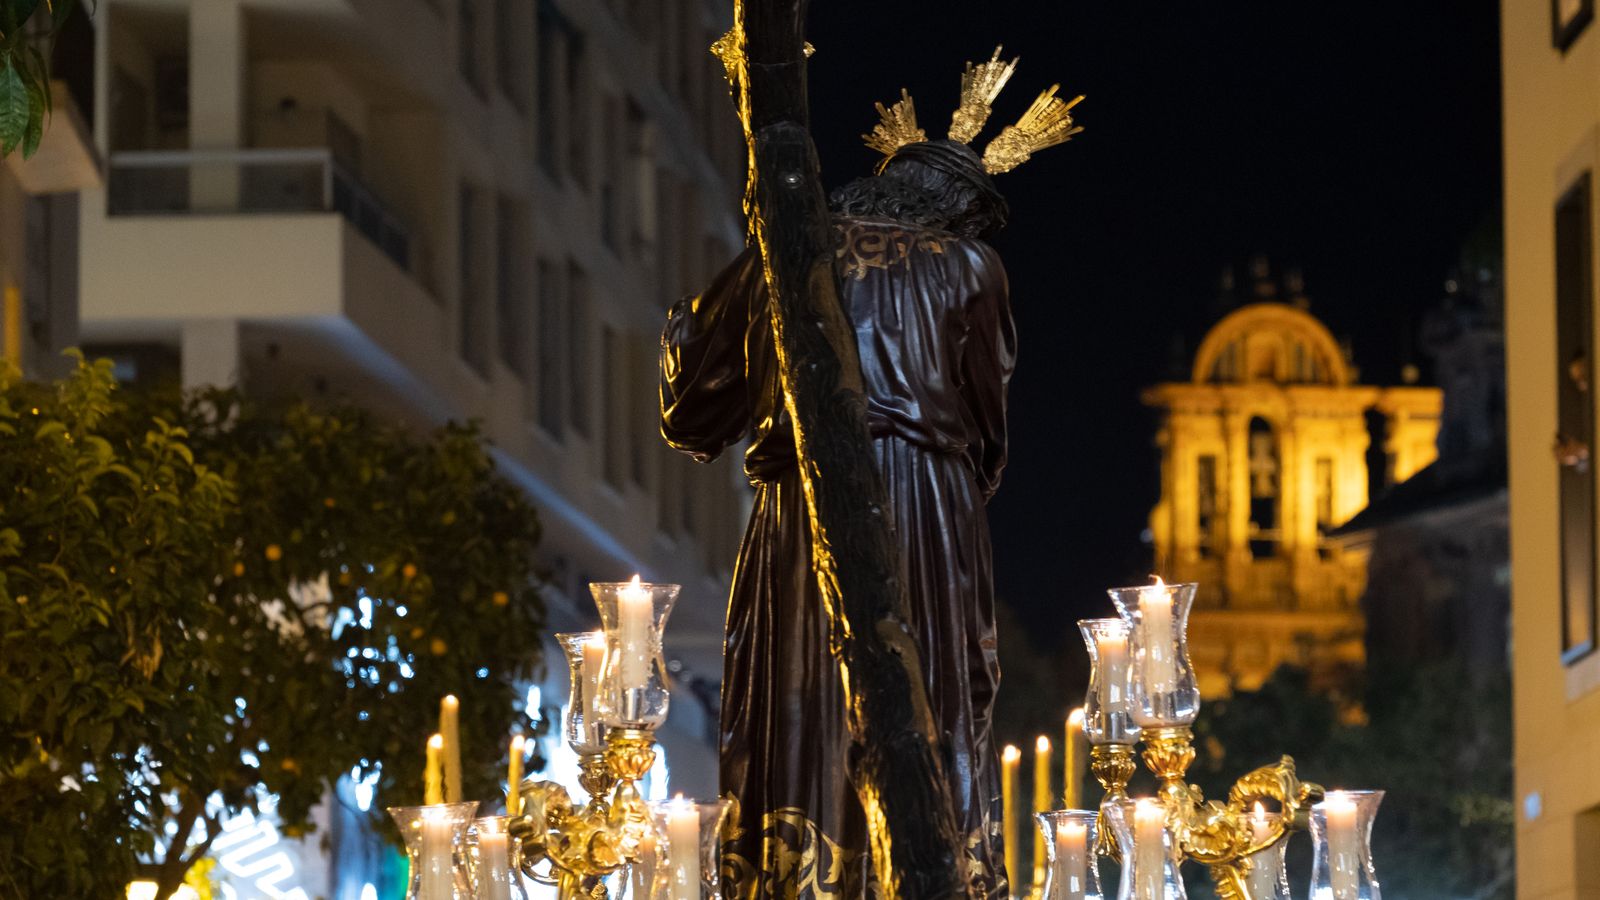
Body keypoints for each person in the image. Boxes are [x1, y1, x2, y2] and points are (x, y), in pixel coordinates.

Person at [658, 55, 1078, 898]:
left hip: (799, 510)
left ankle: (795, 869)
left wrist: (681, 331)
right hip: (929, 513)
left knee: (798, 693)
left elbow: (691, 407)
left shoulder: (786, 248)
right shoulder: (970, 270)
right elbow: (988, 436)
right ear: (957, 210)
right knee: (933, 696)